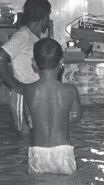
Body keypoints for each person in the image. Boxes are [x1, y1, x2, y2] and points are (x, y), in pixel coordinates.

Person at [0, 0, 52, 133]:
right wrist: (16, 86)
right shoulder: (23, 35)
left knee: (33, 136)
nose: (48, 21)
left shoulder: (33, 37)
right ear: (43, 16)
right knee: (23, 137)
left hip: (34, 95)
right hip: (23, 96)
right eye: (48, 16)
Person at [25, 38, 82, 175]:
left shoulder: (29, 90)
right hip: (63, 150)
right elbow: (77, 116)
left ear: (34, 63)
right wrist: (61, 120)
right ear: (61, 62)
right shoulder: (70, 90)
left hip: (38, 150)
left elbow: (28, 119)